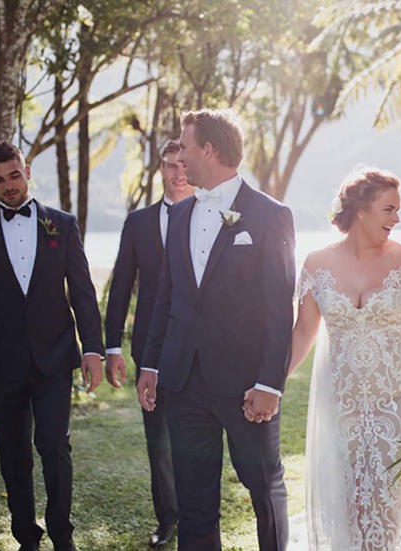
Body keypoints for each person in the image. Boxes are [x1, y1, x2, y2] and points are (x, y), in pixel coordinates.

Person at [136, 109, 294, 551]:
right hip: (184, 381)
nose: (179, 157)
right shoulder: (182, 215)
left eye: (185, 146)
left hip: (246, 384)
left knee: (263, 488)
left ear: (209, 149)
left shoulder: (269, 215)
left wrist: (269, 383)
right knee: (194, 499)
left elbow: (280, 309)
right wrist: (151, 362)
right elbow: (167, 298)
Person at [0, 142, 104, 551]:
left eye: (14, 176)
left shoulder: (62, 224)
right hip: (2, 362)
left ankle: (62, 536)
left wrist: (93, 349)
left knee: (54, 444)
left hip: (54, 357)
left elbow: (83, 291)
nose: (9, 186)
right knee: (13, 454)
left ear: (27, 170)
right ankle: (26, 538)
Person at [286, 168, 401, 550]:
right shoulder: (316, 263)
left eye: (397, 210)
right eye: (388, 210)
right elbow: (303, 331)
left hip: (394, 394)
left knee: (387, 493)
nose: (396, 219)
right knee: (348, 496)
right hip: (340, 396)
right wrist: (272, 387)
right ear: (360, 210)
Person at [104, 139, 193, 547]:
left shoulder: (211, 217)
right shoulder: (138, 223)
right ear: (159, 169)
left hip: (199, 348)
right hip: (150, 349)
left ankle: (199, 517)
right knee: (158, 440)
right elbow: (121, 286)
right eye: (169, 165)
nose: (177, 173)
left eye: (183, 164)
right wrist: (112, 347)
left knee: (198, 436)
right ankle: (168, 519)